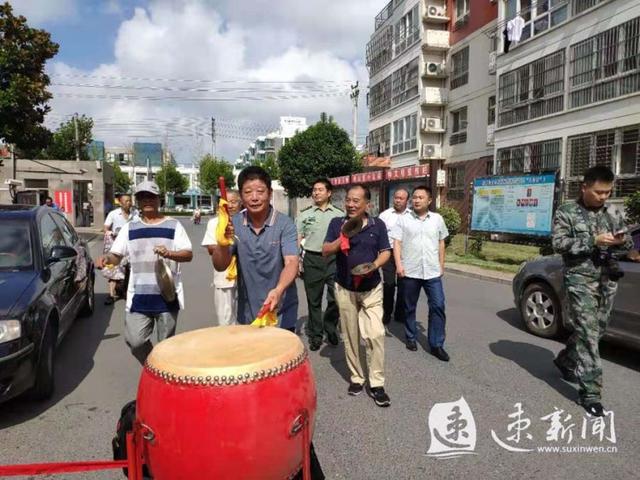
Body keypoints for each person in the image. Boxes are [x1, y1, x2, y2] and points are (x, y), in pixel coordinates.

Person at [551, 166, 633, 417]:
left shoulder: (613, 213)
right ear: (584, 187)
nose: (603, 197)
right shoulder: (567, 212)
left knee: (597, 330)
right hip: (580, 278)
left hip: (607, 278)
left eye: (608, 193)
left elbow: (627, 244)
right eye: (599, 192)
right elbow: (558, 243)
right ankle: (591, 393)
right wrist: (592, 241)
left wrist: (620, 241)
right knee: (588, 331)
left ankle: (566, 359)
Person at [96, 181, 193, 364]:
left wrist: (170, 253)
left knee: (167, 347)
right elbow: (116, 255)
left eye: (151, 197)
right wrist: (107, 259)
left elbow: (188, 254)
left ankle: (163, 382)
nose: (147, 200)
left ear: (159, 200)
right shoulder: (130, 228)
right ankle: (153, 368)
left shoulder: (174, 225)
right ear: (137, 201)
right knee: (135, 341)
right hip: (139, 296)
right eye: (142, 197)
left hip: (167, 296)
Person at [322, 184, 392, 407]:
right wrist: (342, 236)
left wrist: (374, 265)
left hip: (371, 288)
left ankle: (377, 383)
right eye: (348, 200)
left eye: (356, 201)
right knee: (351, 335)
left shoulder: (377, 224)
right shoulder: (336, 223)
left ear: (367, 204)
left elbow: (385, 252)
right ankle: (356, 378)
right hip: (345, 288)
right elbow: (325, 251)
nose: (351, 204)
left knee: (375, 334)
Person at [212, 166, 299, 331]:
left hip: (281, 312)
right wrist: (222, 243)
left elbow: (292, 262)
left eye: (260, 191)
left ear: (270, 194)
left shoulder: (284, 224)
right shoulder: (234, 224)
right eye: (248, 192)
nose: (254, 198)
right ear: (241, 196)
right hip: (248, 314)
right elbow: (220, 265)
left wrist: (278, 290)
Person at [391, 186, 450, 362]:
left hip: (432, 271)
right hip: (410, 270)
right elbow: (397, 243)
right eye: (415, 197)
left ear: (429, 200)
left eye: (421, 197)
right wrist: (399, 265)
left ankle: (436, 344)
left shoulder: (437, 219)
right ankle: (410, 337)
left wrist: (441, 264)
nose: (416, 200)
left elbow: (441, 242)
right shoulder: (403, 219)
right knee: (409, 306)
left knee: (438, 305)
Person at [296, 178, 343, 351]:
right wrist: (296, 261)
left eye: (320, 189)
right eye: (314, 189)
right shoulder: (305, 214)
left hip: (334, 260)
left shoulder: (339, 214)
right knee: (313, 300)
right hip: (312, 260)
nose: (316, 192)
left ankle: (330, 328)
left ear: (329, 193)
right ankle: (316, 334)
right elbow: (298, 237)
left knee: (335, 298)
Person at [202, 190, 242, 326]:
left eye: (233, 202)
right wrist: (227, 245)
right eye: (226, 202)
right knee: (226, 319)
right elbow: (210, 249)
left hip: (246, 276)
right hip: (225, 277)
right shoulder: (214, 223)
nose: (230, 205)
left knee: (245, 319)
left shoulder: (247, 221)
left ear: (240, 203)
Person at [379, 188, 409, 327]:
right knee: (389, 284)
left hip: (406, 254)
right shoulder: (385, 215)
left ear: (407, 200)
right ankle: (386, 312)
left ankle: (400, 313)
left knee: (404, 284)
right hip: (388, 253)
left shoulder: (412, 216)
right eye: (396, 197)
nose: (397, 200)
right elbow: (378, 235)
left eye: (401, 198)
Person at [102, 193, 139, 305]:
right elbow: (105, 228)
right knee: (114, 269)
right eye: (127, 201)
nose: (129, 203)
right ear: (120, 202)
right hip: (117, 246)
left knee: (131, 269)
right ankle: (111, 295)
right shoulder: (113, 214)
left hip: (132, 245)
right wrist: (111, 233)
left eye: (130, 201)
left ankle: (128, 293)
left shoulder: (135, 214)